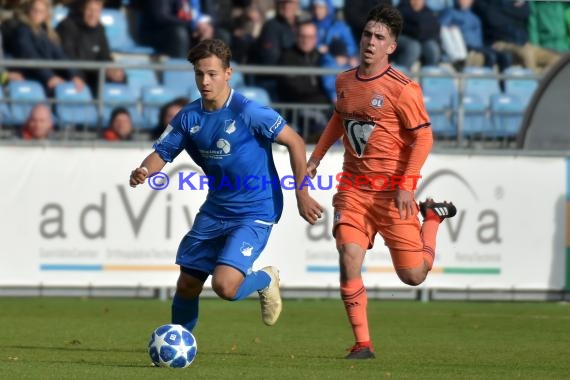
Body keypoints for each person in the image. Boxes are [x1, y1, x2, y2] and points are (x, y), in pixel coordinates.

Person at [129, 39, 323, 335]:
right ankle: (180, 344)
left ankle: (265, 280)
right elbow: (162, 152)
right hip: (217, 208)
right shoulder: (188, 117)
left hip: (256, 208)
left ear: (228, 73)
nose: (204, 81)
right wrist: (145, 169)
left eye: (212, 74)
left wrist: (302, 193)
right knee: (188, 283)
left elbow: (295, 141)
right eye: (199, 74)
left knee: (225, 286)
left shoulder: (249, 112)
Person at [306, 4, 457, 359]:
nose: (370, 42)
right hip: (353, 190)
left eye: (379, 37)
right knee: (348, 255)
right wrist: (316, 157)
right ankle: (363, 344)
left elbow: (424, 138)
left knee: (414, 275)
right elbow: (338, 120)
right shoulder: (344, 80)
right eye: (367, 35)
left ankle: (432, 220)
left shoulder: (403, 89)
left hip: (393, 194)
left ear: (391, 46)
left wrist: (406, 185)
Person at [9, 0, 86, 94]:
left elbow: (60, 55)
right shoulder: (22, 31)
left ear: (46, 14)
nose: (37, 14)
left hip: (45, 78)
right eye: (34, 10)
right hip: (31, 78)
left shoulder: (45, 33)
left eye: (41, 11)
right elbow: (30, 56)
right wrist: (49, 77)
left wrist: (74, 75)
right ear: (28, 11)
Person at [56, 0, 125, 96]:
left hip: (93, 73)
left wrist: (111, 69)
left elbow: (105, 55)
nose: (93, 14)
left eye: (97, 11)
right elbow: (68, 57)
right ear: (82, 9)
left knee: (119, 77)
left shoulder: (99, 28)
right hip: (74, 73)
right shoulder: (67, 26)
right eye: (89, 10)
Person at [393, 0, 441, 70]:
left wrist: (420, 30)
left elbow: (435, 28)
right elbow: (401, 27)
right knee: (413, 47)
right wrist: (419, 30)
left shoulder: (428, 12)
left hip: (422, 38)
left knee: (432, 48)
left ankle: (428, 78)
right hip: (402, 37)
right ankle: (400, 76)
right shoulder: (402, 9)